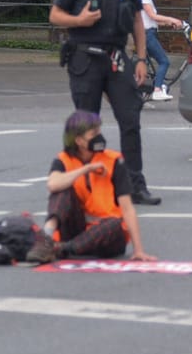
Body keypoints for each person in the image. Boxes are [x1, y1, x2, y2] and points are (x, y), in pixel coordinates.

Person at [49, 0, 160, 205]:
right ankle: (84, 184)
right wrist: (78, 21)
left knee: (130, 118)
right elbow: (55, 15)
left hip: (116, 56)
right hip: (84, 57)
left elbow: (137, 19)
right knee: (86, 125)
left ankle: (135, 185)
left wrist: (141, 59)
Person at [30, 112, 155, 263]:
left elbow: (127, 208)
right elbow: (52, 184)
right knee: (61, 189)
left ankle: (61, 249)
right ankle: (46, 238)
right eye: (94, 133)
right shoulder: (63, 159)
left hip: (107, 234)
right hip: (77, 228)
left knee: (115, 224)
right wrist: (86, 169)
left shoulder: (114, 160)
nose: (99, 137)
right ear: (78, 141)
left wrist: (138, 250)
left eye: (99, 132)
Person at [139, 0, 185, 101]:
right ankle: (157, 89)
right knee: (164, 61)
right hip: (147, 35)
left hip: (148, 33)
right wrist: (172, 18)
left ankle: (147, 89)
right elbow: (152, 16)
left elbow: (153, 20)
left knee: (148, 63)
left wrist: (170, 23)